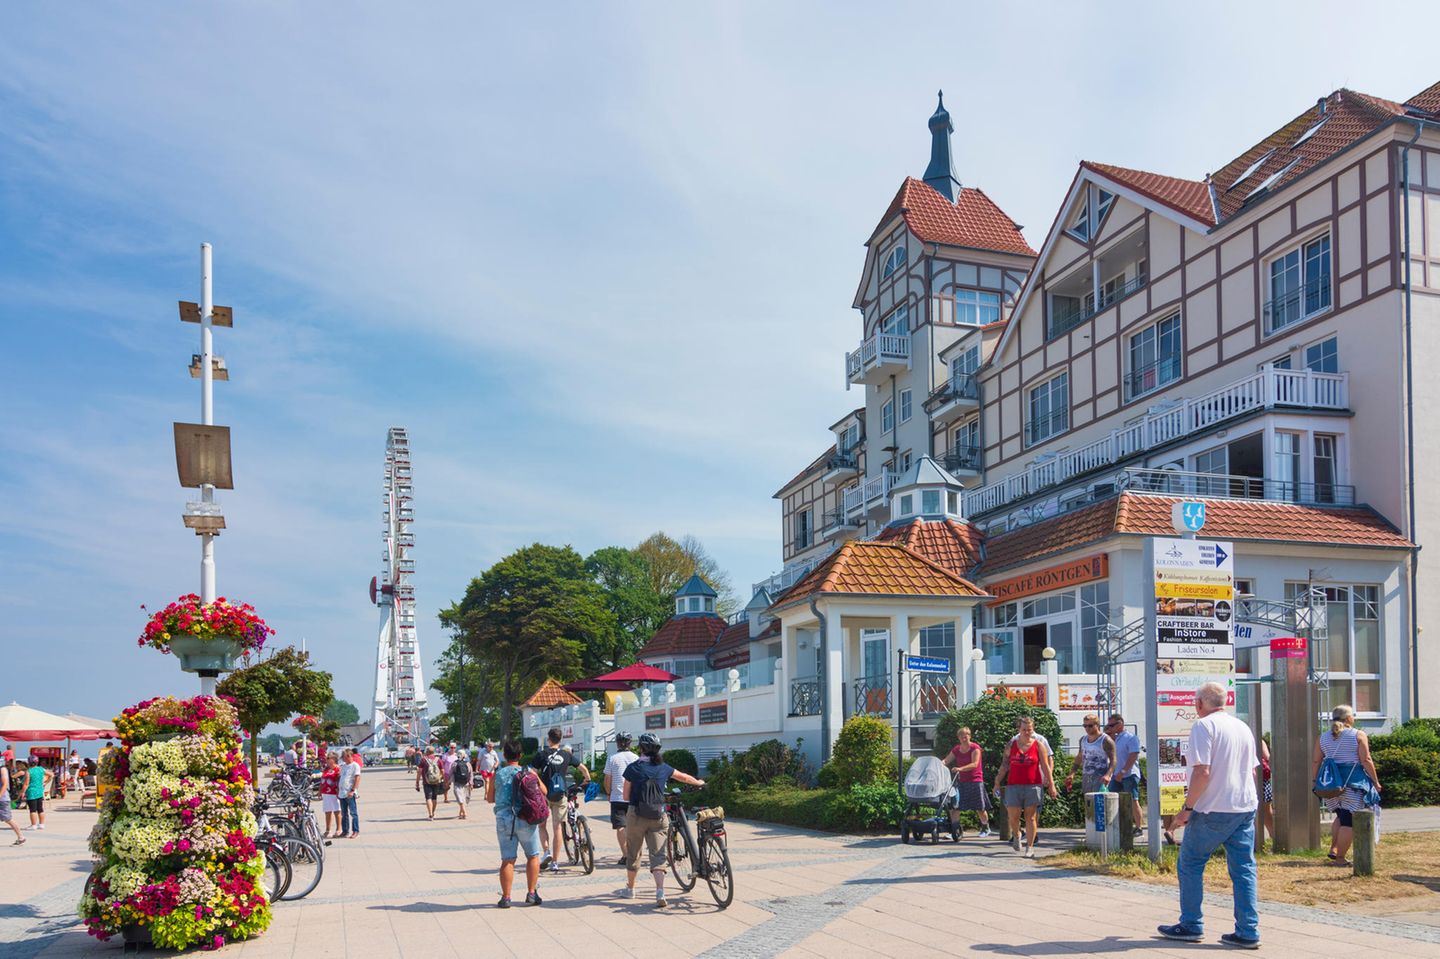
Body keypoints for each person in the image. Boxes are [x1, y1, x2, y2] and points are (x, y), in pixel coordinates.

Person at [1158, 682, 1260, 949]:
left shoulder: (1204, 726)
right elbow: (1251, 772)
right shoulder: (1242, 727)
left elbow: (1202, 772)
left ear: (1200, 704)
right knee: (1244, 869)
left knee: (1190, 863)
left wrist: (1187, 809)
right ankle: (1248, 931)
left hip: (1214, 807)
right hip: (1245, 806)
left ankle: (1191, 924)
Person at [620, 733, 704, 907]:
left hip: (636, 815)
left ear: (641, 748)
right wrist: (699, 782)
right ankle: (660, 892)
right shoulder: (663, 767)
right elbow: (683, 777)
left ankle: (630, 889)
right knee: (658, 855)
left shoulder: (633, 768)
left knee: (633, 853)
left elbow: (625, 795)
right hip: (659, 815)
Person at [1311, 703, 1382, 867]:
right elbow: (1366, 760)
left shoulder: (1323, 737)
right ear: (1349, 718)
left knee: (1340, 817)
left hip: (1331, 785)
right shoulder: (1358, 735)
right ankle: (1341, 858)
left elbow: (1316, 760)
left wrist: (1315, 781)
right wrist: (1376, 781)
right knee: (1349, 822)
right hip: (1352, 784)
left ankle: (1334, 849)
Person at [487, 739, 544, 908]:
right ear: (521, 755)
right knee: (533, 855)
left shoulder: (499, 774)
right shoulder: (529, 773)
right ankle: (532, 894)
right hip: (526, 817)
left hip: (504, 819)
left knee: (508, 860)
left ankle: (506, 898)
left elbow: (490, 798)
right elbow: (545, 792)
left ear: (504, 755)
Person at [532, 728, 590, 872]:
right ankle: (555, 862)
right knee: (557, 827)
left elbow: (532, 772)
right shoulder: (566, 754)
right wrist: (587, 779)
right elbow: (582, 768)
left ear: (549, 739)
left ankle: (547, 852)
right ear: (561, 739)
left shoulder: (542, 754)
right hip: (560, 795)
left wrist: (538, 784)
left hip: (544, 794)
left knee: (542, 826)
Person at [943, 726, 991, 837]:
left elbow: (975, 764)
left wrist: (960, 769)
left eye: (966, 736)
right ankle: (955, 831)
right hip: (962, 782)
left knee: (980, 808)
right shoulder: (956, 749)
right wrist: (938, 763)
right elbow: (946, 760)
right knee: (956, 807)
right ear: (958, 737)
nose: (964, 738)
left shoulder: (975, 748)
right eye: (961, 736)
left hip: (975, 781)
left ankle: (985, 828)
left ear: (969, 736)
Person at [1106, 713, 1146, 836]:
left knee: (1133, 799)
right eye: (1108, 725)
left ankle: (1139, 827)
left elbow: (1133, 755)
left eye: (1112, 725)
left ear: (1120, 724)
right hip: (1116, 774)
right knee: (1112, 798)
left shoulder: (1131, 737)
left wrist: (1123, 771)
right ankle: (1117, 826)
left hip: (1129, 774)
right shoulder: (1115, 738)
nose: (1110, 728)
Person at [604, 734, 640, 862]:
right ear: (630, 743)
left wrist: (609, 793)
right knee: (635, 826)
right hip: (633, 797)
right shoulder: (636, 758)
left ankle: (626, 855)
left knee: (620, 826)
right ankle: (635, 853)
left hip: (617, 797)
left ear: (618, 744)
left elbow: (608, 778)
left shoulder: (612, 758)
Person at [1064, 714, 1116, 796]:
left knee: (1099, 804)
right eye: (1085, 726)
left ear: (1097, 725)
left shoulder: (1105, 740)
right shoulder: (1083, 739)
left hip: (1100, 778)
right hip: (1087, 777)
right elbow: (1080, 757)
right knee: (1088, 803)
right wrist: (1072, 773)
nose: (1087, 728)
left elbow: (1114, 760)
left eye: (1090, 726)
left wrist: (1108, 775)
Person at [414, 745, 446, 820]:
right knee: (434, 798)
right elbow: (443, 771)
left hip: (426, 782)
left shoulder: (423, 760)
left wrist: (417, 782)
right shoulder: (438, 760)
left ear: (427, 752)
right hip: (436, 781)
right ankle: (433, 813)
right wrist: (441, 779)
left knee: (428, 798)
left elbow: (419, 771)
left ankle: (430, 814)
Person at [337, 748, 361, 839]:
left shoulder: (355, 765)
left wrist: (352, 790)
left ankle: (355, 831)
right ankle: (345, 831)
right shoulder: (343, 766)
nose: (342, 758)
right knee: (344, 813)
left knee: (353, 813)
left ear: (348, 756)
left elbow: (357, 778)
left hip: (349, 792)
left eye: (343, 757)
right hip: (342, 793)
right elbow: (340, 778)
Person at [23, 759, 51, 831]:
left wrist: (22, 792)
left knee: (32, 810)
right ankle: (41, 824)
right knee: (40, 809)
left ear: (29, 763)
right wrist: (46, 782)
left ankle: (33, 825)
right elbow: (51, 774)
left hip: (31, 792)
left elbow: (26, 783)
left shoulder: (28, 771)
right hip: (39, 791)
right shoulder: (41, 769)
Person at [0, 762, 23, 846]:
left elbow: (5, 784)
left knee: (8, 819)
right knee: (8, 819)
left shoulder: (2, 769)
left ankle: (21, 837)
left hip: (2, 799)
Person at [319, 753, 341, 838]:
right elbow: (322, 781)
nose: (327, 760)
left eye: (329, 758)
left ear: (334, 759)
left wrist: (339, 790)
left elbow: (340, 781)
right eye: (327, 758)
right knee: (327, 812)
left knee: (337, 811)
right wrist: (320, 791)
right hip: (326, 793)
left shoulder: (338, 769)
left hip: (334, 793)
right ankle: (328, 829)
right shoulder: (326, 769)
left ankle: (338, 829)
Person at [449, 742, 472, 820]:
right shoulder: (468, 763)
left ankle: (464, 813)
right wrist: (471, 783)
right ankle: (461, 812)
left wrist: (449, 781)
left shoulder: (454, 763)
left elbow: (451, 773)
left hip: (457, 782)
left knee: (459, 797)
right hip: (466, 782)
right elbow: (471, 773)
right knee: (464, 798)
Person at [1258, 737, 1274, 843]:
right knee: (1266, 811)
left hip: (1253, 779)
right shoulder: (1259, 741)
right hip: (1262, 780)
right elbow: (1267, 757)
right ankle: (1273, 835)